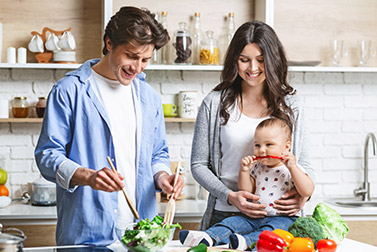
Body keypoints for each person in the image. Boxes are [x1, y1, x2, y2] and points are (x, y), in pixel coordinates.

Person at [34, 6, 184, 246]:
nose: (137, 67)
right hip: (87, 234)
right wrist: (88, 176)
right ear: (109, 43)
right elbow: (47, 156)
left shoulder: (149, 97)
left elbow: (157, 154)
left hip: (142, 234)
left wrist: (163, 177)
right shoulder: (69, 91)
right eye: (132, 56)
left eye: (145, 60)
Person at [180, 20, 314, 246]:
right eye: (244, 60)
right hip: (227, 214)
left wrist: (303, 196)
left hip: (280, 216)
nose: (252, 68)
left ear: (273, 60)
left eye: (261, 60)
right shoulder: (214, 103)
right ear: (235, 60)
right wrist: (229, 196)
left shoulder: (292, 105)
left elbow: (305, 164)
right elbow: (199, 165)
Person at [179, 118, 314, 250]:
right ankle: (207, 237)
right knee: (231, 223)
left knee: (271, 232)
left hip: (284, 218)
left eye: (269, 145)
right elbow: (247, 189)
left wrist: (293, 167)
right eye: (257, 145)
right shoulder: (257, 167)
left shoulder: (293, 168)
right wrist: (244, 171)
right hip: (254, 216)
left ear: (286, 147)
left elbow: (307, 190)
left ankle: (246, 242)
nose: (261, 150)